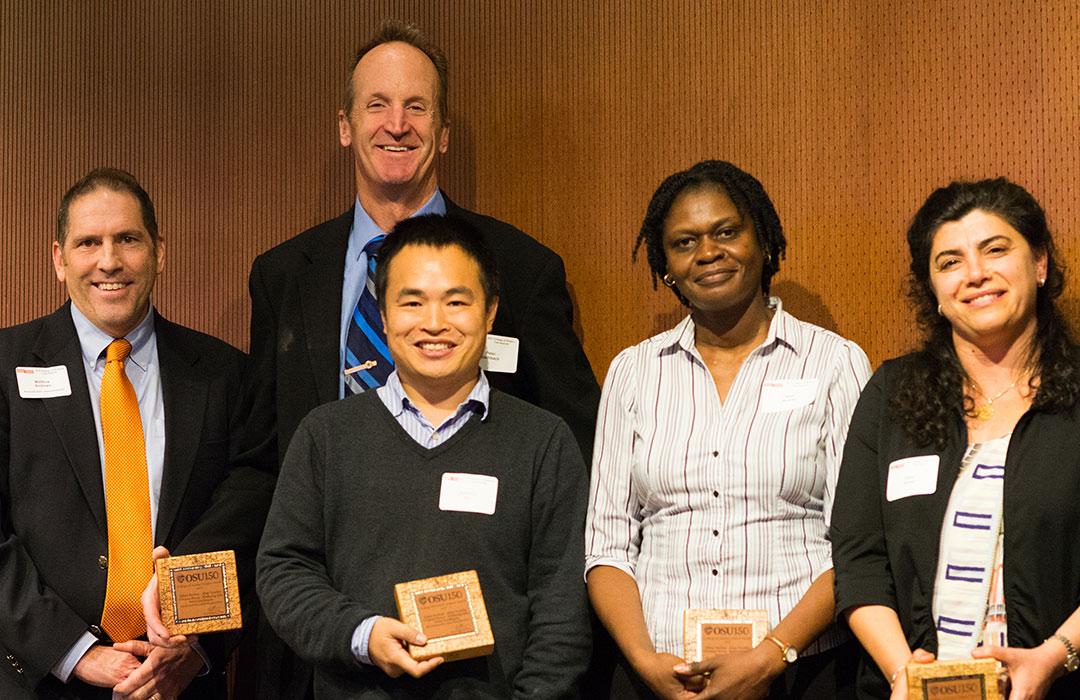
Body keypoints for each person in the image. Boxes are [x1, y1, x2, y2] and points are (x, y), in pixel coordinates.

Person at [243, 20, 601, 697]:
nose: (396, 124)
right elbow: (262, 455)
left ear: (441, 132)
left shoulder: (521, 270)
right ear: (345, 125)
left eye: (417, 108)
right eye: (377, 104)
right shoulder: (283, 274)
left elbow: (571, 451)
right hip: (329, 644)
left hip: (488, 657)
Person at [256, 214, 591, 698]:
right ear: (385, 317)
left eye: (457, 302)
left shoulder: (542, 441)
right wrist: (362, 634)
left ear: (491, 312)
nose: (435, 323)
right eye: (412, 302)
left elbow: (561, 608)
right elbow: (284, 570)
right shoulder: (326, 436)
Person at [585, 160, 870, 699]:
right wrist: (645, 661)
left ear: (762, 241)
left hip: (803, 670)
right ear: (665, 265)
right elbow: (607, 545)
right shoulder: (632, 372)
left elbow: (854, 542)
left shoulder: (834, 363)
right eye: (684, 242)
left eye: (726, 232)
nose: (707, 253)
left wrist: (770, 656)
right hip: (660, 672)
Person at [0, 168, 273, 698]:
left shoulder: (224, 375)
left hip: (178, 681)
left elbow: (252, 521)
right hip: (37, 678)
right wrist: (76, 654)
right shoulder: (4, 366)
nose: (109, 261)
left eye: (127, 239)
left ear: (158, 251)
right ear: (58, 259)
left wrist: (195, 649)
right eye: (88, 243)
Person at [832, 178, 1080, 699]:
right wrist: (905, 673)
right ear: (933, 291)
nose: (975, 274)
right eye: (949, 262)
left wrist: (1055, 656)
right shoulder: (891, 393)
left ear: (1039, 264)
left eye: (995, 250)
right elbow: (860, 557)